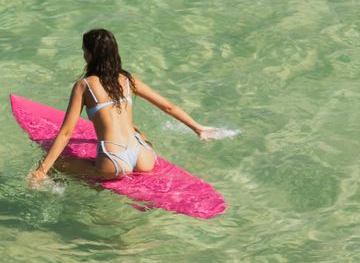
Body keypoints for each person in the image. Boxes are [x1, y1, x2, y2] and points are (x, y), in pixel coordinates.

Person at [28, 28, 219, 183]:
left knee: (58, 165)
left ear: (91, 54)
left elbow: (66, 133)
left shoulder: (84, 86)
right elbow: (168, 106)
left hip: (113, 162)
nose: (83, 54)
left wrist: (41, 170)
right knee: (136, 130)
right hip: (145, 158)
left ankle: (88, 185)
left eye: (84, 50)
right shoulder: (127, 79)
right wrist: (198, 128)